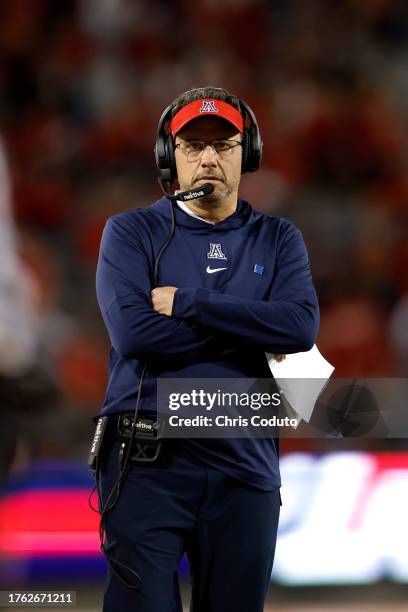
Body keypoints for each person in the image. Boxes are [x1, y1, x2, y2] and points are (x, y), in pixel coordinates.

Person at [95, 86, 319, 612]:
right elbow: (134, 335)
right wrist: (254, 328)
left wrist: (190, 303)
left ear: (249, 154)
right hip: (146, 463)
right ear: (168, 156)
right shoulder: (131, 233)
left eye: (226, 144)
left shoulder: (280, 238)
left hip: (244, 462)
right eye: (193, 145)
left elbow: (300, 328)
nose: (210, 158)